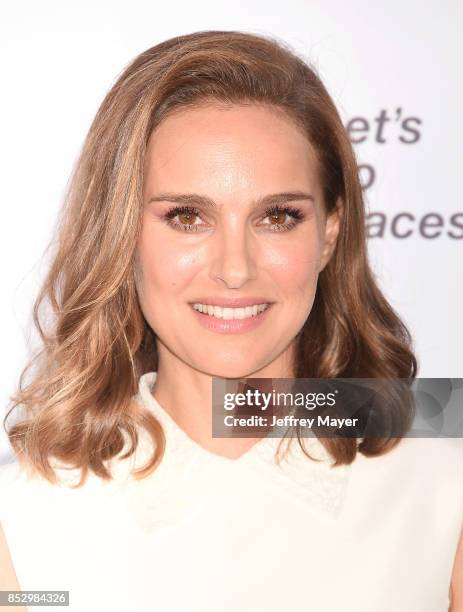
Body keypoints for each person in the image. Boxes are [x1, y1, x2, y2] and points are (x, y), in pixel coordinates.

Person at [1, 30, 462, 612]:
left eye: (277, 216)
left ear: (330, 232)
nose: (235, 269)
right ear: (122, 234)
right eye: (188, 216)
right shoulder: (25, 523)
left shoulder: (442, 489)